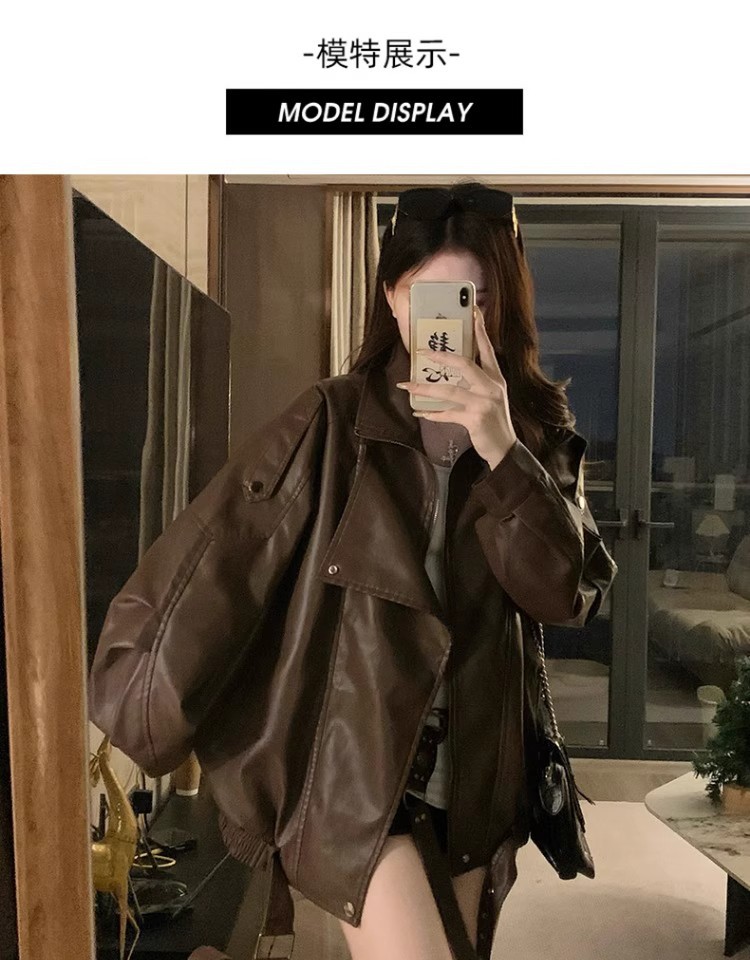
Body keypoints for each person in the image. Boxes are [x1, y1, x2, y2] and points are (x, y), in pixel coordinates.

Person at [89, 180, 618, 960]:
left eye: (473, 299)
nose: (450, 322)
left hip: (477, 782)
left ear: (500, 307)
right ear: (394, 300)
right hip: (356, 775)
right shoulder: (334, 420)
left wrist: (502, 449)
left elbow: (565, 594)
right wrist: (138, 695)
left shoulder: (537, 440)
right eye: (430, 297)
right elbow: (224, 556)